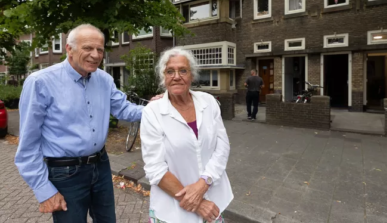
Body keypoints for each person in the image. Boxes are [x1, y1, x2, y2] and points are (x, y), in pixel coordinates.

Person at [15, 24, 146, 223]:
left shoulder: (104, 79)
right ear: (69, 48)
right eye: (88, 48)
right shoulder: (40, 82)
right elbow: (28, 144)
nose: (95, 55)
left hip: (101, 166)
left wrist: (162, 108)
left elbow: (124, 109)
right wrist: (44, 190)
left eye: (100, 50)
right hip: (65, 173)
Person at [140, 47, 233, 223]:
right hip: (173, 211)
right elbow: (155, 168)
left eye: (183, 70)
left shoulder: (208, 101)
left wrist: (203, 183)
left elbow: (222, 146)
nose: (176, 76)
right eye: (170, 71)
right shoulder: (152, 112)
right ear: (163, 77)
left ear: (192, 75)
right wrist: (198, 204)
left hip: (213, 202)